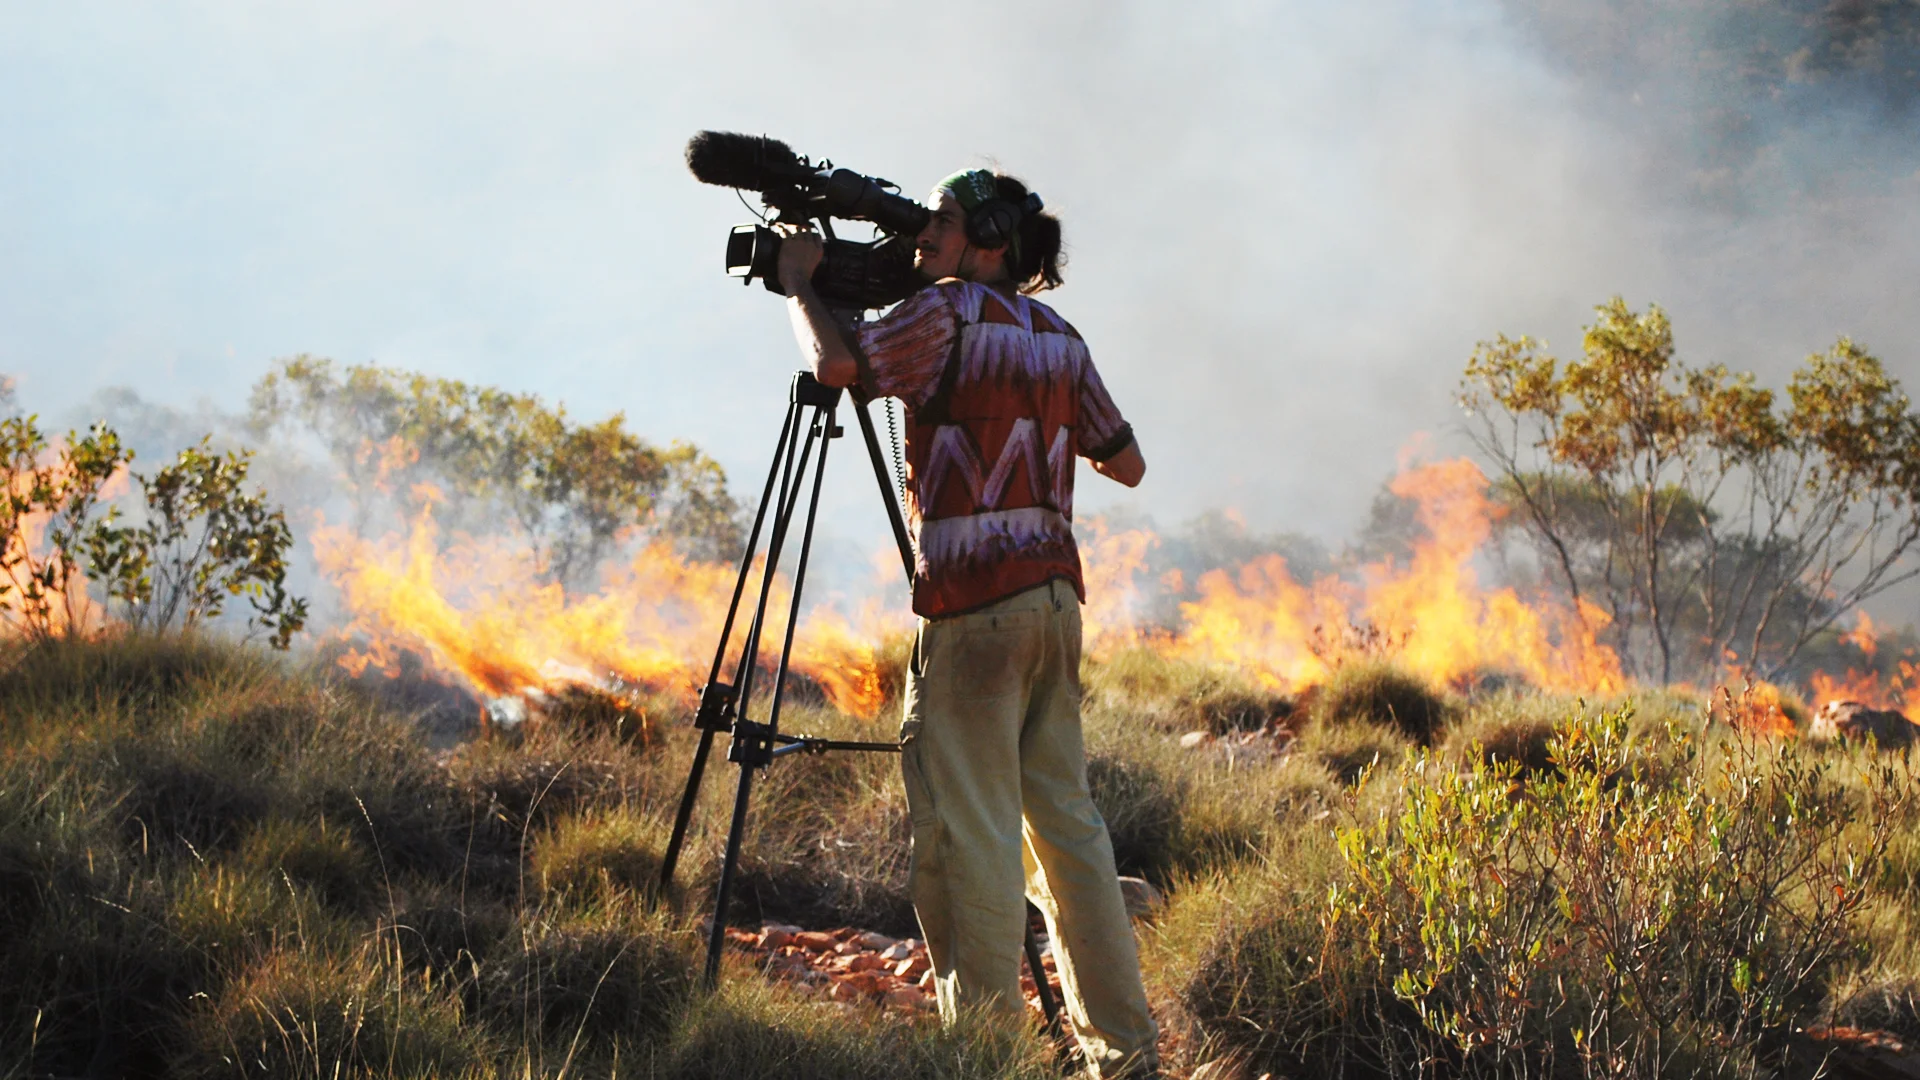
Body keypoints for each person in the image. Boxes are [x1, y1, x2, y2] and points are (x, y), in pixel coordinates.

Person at [776, 167, 1158, 1078]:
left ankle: (985, 1060)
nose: (923, 235)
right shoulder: (1060, 335)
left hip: (974, 605)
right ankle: (1126, 1054)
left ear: (987, 246)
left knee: (970, 836)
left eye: (942, 222)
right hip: (1054, 605)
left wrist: (800, 283)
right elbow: (1129, 463)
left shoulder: (943, 310)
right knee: (1068, 832)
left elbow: (837, 367)